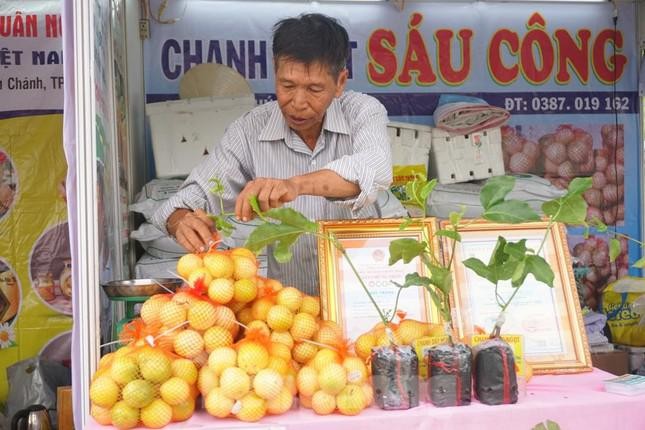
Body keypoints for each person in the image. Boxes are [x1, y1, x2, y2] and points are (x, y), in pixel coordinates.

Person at [152, 13, 398, 296]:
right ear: (275, 71)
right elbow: (187, 199)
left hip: (365, 300)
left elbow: (374, 170)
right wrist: (180, 219)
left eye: (314, 89)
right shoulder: (249, 130)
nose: (298, 102)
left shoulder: (363, 112)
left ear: (340, 82)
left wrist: (294, 185)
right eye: (287, 86)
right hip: (289, 311)